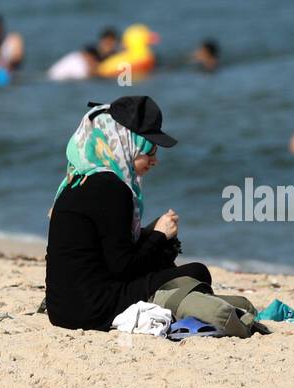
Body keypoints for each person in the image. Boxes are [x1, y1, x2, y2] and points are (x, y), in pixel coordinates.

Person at [46, 96, 207, 330]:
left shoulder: (76, 180)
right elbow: (123, 267)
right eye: (150, 150)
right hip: (93, 309)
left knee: (168, 271)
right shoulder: (112, 188)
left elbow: (106, 247)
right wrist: (160, 235)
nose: (155, 160)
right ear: (127, 142)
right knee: (197, 273)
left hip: (61, 309)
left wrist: (149, 232)